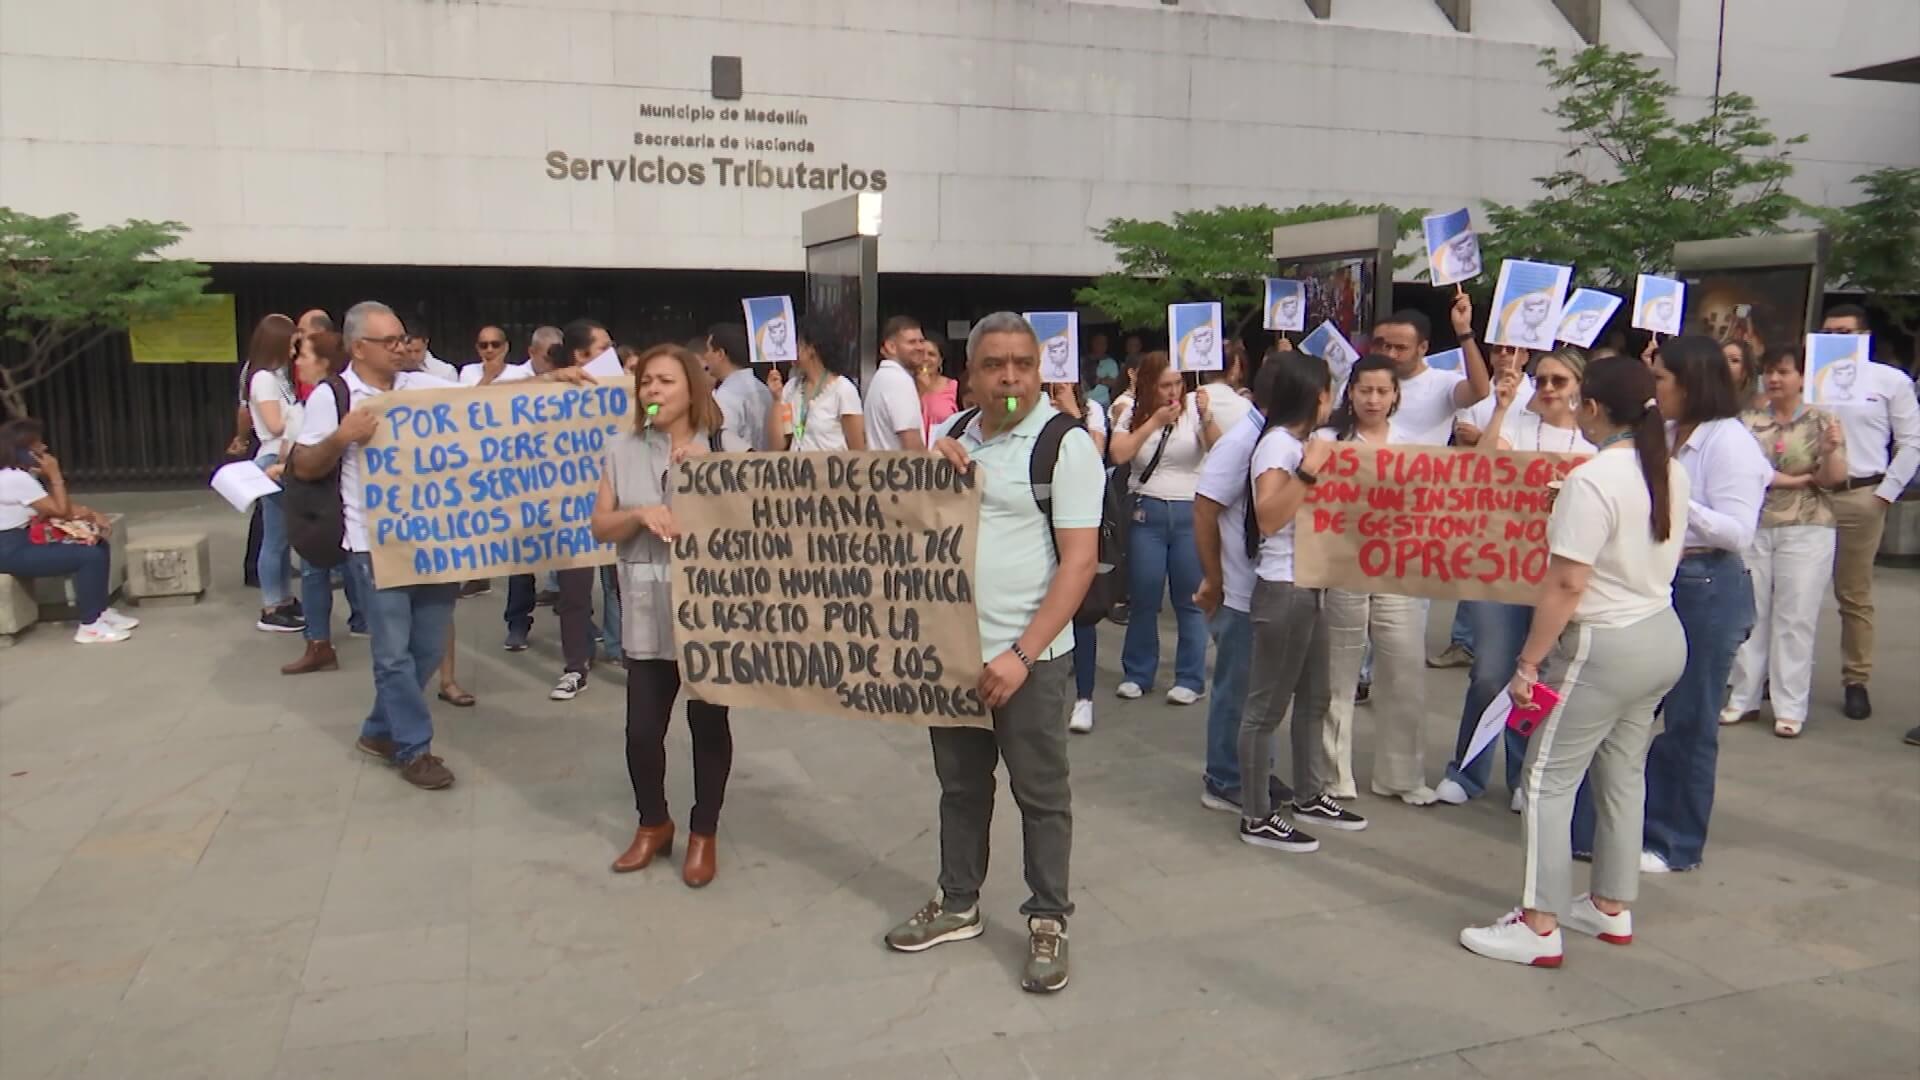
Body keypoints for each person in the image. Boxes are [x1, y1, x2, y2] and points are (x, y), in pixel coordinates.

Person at [884, 312, 1100, 995]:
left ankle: (1047, 918)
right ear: (968, 374)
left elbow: (1079, 563)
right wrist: (927, 475)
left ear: (1040, 371)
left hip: (1027, 658)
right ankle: (957, 902)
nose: (1010, 378)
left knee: (1041, 793)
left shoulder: (1064, 446)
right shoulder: (950, 435)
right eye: (995, 365)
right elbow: (911, 528)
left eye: (1023, 365)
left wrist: (1023, 654)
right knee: (960, 788)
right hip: (952, 652)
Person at [1457, 355, 1689, 968]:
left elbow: (1566, 584)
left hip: (1604, 643)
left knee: (1544, 778)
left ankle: (1538, 924)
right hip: (1660, 632)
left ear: (1591, 408)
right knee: (1621, 773)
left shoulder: (1593, 479)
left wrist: (1528, 663)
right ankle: (1610, 905)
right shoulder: (1667, 468)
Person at [595, 344, 748, 886]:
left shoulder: (726, 446)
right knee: (642, 730)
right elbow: (601, 526)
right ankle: (652, 823)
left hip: (708, 603)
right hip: (645, 601)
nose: (653, 392)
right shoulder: (622, 449)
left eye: (663, 381)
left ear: (691, 389)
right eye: (645, 383)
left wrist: (714, 479)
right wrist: (638, 514)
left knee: (708, 723)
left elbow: (756, 523)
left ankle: (703, 831)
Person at [1435, 348, 1598, 808]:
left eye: (1558, 382)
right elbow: (1484, 468)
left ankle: (1525, 775)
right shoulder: (1518, 426)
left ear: (1579, 389)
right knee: (1490, 673)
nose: (1547, 389)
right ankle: (1466, 772)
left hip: (1557, 576)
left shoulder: (1592, 446)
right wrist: (1502, 408)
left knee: (1540, 679)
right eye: (1542, 380)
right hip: (1502, 570)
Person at [1631, 335, 1769, 873]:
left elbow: (1738, 531)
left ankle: (1674, 841)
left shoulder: (1729, 442)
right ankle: (1629, 823)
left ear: (1688, 383)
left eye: (1661, 377)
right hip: (1663, 577)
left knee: (1690, 720)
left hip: (1709, 584)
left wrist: (1678, 501)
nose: (1654, 387)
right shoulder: (1665, 430)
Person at [1237, 350, 1369, 853]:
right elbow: (1269, 516)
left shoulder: (1300, 442)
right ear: (1316, 396)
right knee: (1265, 709)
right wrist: (1309, 473)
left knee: (1315, 697)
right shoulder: (1277, 447)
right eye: (1329, 391)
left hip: (1312, 583)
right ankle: (1256, 815)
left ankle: (1310, 792)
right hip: (1283, 587)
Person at [1317, 354, 1436, 806]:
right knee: (1338, 676)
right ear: (1351, 392)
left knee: (1404, 671)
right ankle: (1333, 774)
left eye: (1382, 391)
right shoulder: (1327, 441)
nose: (1373, 399)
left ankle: (1401, 775)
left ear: (1395, 396)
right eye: (1365, 390)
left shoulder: (1412, 445)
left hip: (1397, 570)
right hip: (1342, 569)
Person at [1722, 346, 1847, 738]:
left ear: (1801, 376)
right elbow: (1747, 472)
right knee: (1751, 615)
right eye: (1770, 372)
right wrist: (1797, 476)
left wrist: (1827, 455)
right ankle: (1743, 698)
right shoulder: (1748, 421)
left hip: (1808, 525)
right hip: (1756, 524)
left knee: (1795, 617)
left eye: (1785, 372)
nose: (1775, 380)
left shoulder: (1824, 420)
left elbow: (1834, 479)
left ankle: (1790, 705)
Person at [1193, 352, 1294, 814]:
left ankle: (1254, 769)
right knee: (1238, 689)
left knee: (1262, 690)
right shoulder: (1242, 441)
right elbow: (1205, 508)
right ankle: (1225, 778)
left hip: (1262, 587)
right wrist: (1213, 579)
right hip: (1238, 591)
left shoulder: (1268, 436)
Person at [1816, 305, 1920, 721]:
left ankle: (1855, 678)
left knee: (1853, 594)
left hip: (1862, 494)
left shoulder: (1889, 381)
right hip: (1811, 493)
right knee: (1792, 592)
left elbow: (1911, 440)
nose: (1836, 339)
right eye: (1828, 332)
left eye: (1844, 332)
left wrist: (1886, 493)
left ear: (1863, 336)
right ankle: (1778, 675)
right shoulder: (1812, 379)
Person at [1107, 351, 1209, 705]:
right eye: (1165, 385)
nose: (1173, 392)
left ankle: (1190, 677)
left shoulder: (1196, 408)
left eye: (1177, 384)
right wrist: (1153, 422)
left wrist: (1207, 416)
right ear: (1149, 385)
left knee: (1189, 599)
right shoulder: (1132, 413)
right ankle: (1138, 673)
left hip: (1187, 508)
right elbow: (1118, 453)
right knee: (1145, 595)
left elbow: (1219, 449)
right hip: (1146, 509)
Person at [0, 420, 137, 644]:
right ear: (24, 451)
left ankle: (100, 611)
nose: (44, 449)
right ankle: (90, 627)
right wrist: (55, 475)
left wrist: (90, 514)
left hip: (20, 541)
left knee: (96, 543)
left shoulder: (18, 476)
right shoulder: (15, 478)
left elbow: (48, 505)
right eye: (38, 446)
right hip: (8, 550)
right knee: (87, 556)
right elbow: (60, 511)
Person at [283, 331, 370, 675]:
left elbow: (314, 458)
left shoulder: (327, 393)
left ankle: (319, 641)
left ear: (323, 361)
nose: (297, 362)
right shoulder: (328, 392)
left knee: (315, 565)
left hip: (326, 500)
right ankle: (351, 624)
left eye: (303, 354)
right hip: (335, 500)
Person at [547, 319, 617, 702]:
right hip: (572, 506)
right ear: (580, 356)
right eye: (602, 346)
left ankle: (637, 659)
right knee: (574, 592)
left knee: (626, 586)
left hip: (619, 501)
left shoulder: (624, 386)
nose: (611, 353)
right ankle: (576, 665)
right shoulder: (550, 390)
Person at [1048, 380, 1107, 734]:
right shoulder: (1029, 409)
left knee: (1081, 611)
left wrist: (1071, 413)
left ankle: (1084, 699)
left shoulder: (1092, 411)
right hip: (1039, 520)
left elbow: (1095, 463)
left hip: (1078, 520)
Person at [502, 326, 564, 651]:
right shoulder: (514, 378)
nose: (553, 361)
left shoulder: (569, 378)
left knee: (570, 556)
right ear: (532, 352)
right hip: (522, 482)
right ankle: (517, 623)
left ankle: (578, 623)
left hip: (561, 480)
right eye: (547, 355)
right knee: (522, 562)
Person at [243, 313, 305, 633]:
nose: (296, 352)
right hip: (272, 457)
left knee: (281, 538)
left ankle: (283, 599)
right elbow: (274, 425)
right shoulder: (264, 378)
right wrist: (299, 414)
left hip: (281, 454)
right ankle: (271, 605)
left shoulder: (277, 376)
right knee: (275, 538)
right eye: (293, 345)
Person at [1369, 296, 1492, 447]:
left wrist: (1464, 332)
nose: (1391, 354)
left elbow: (1480, 391)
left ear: (1423, 348)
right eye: (1387, 346)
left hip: (1422, 469)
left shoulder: (1443, 382)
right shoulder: (1364, 381)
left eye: (1401, 348)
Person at [766, 315, 866, 452]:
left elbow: (858, 449)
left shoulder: (843, 389)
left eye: (796, 343)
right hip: (797, 471)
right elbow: (777, 447)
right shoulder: (791, 387)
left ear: (811, 348)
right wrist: (777, 399)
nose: (789, 349)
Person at [703, 323, 773, 452]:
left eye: (708, 350)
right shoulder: (764, 389)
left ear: (720, 354)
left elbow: (722, 442)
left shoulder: (725, 395)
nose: (705, 356)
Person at [862, 315, 927, 451]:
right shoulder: (898, 380)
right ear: (891, 347)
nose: (920, 347)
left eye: (921, 341)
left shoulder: (883, 377)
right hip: (901, 470)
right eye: (911, 342)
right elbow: (912, 444)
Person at [915, 336, 960, 440]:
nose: (925, 358)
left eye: (931, 354)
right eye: (920, 354)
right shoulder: (905, 386)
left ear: (940, 361)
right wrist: (921, 390)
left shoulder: (954, 387)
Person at [1722, 339, 1760, 407]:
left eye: (1734, 360)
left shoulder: (1758, 404)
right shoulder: (1706, 400)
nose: (1725, 364)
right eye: (1722, 359)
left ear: (1747, 369)